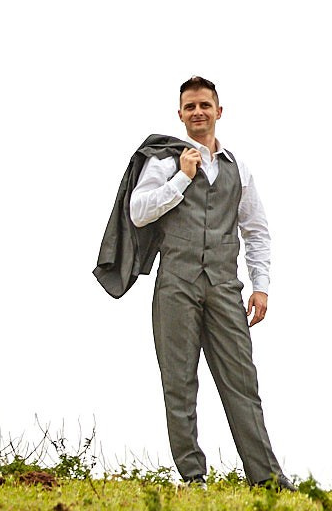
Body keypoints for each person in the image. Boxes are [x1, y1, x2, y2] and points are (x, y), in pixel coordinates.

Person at [113, 76, 288, 486]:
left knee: (242, 381)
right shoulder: (163, 161)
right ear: (180, 114)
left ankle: (266, 478)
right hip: (176, 284)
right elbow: (138, 211)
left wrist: (261, 285)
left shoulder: (238, 168)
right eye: (190, 106)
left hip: (225, 286)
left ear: (218, 111)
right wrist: (181, 178)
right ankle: (194, 476)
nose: (198, 112)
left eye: (204, 105)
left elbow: (256, 229)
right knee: (179, 383)